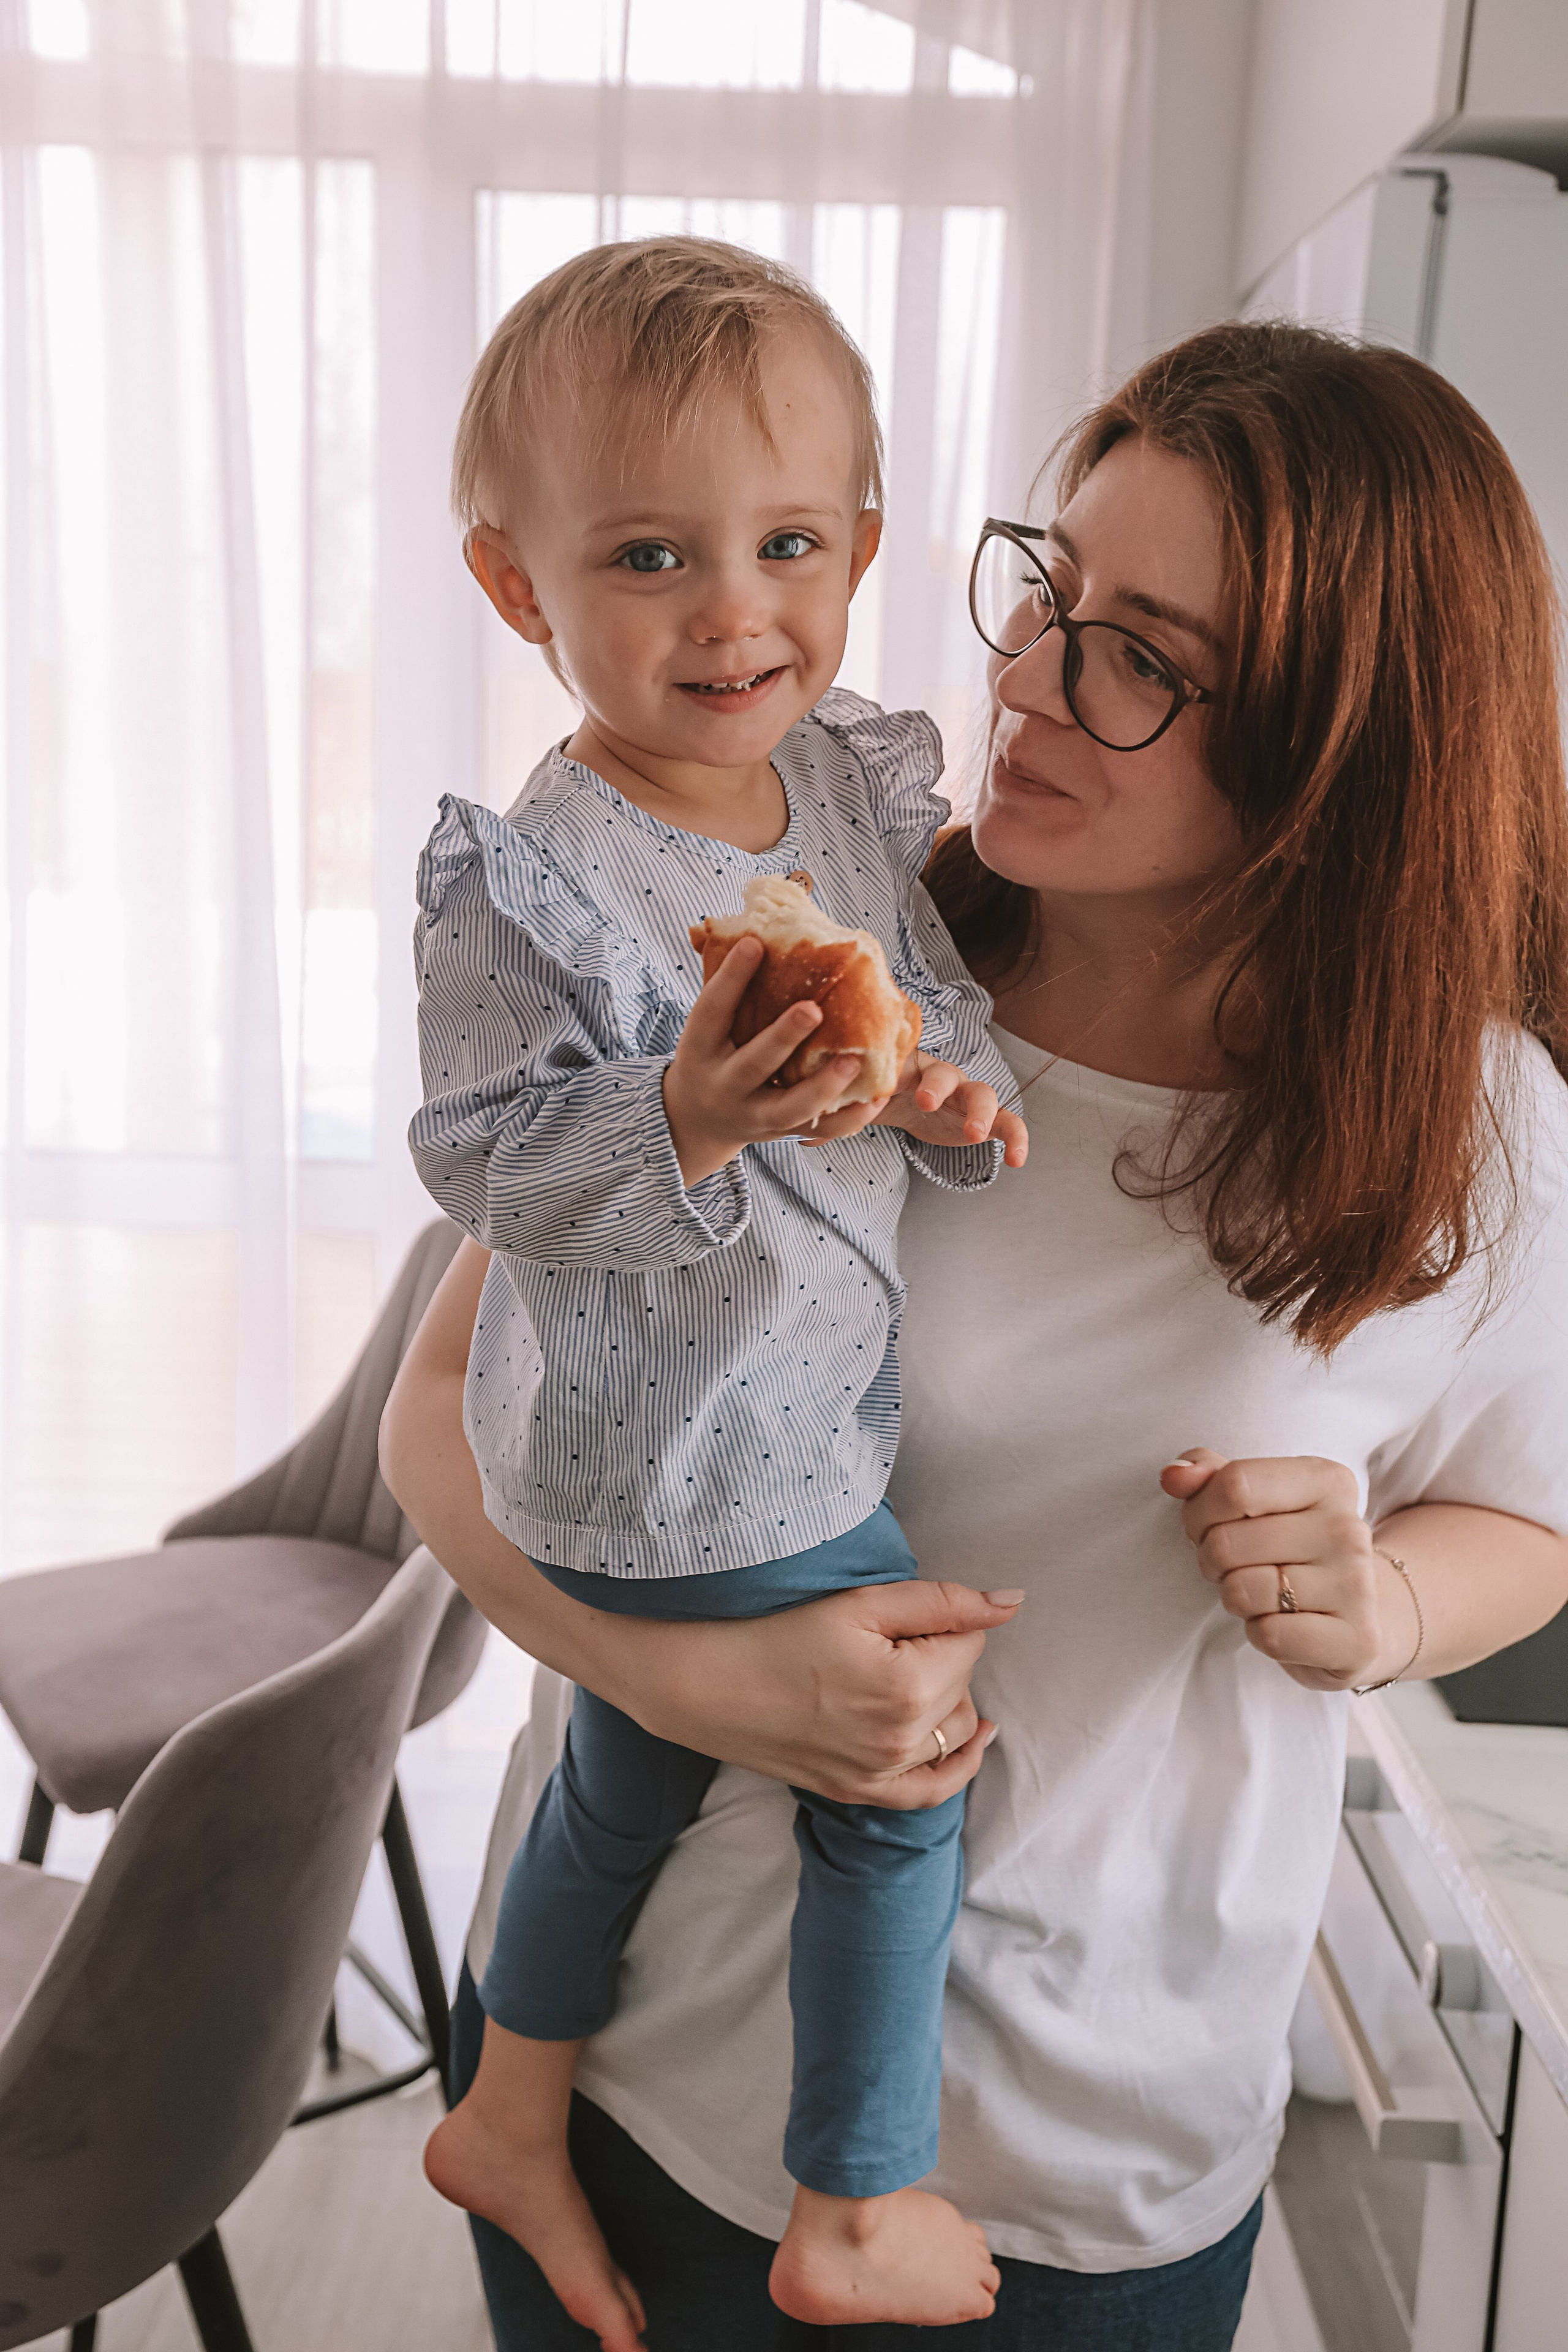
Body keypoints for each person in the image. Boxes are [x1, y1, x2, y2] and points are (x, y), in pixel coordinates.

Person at [383, 319, 1568, 2350]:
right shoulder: (822, 956)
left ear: (1347, 737)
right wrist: (699, 1677)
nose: (1026, 680)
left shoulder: (1478, 1127)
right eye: (1053, 591)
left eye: (1143, 656)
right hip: (654, 2087)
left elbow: (1522, 1521)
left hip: (1090, 2164)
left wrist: (1379, 1607)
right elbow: (439, 1414)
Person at [408, 235, 1030, 2346]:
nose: (732, 611)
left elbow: (921, 987)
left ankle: (508, 2094)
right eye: (653, 554)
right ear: (523, 591)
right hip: (671, 1448)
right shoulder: (535, 878)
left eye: (784, 542)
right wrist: (676, 1117)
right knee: (898, 1770)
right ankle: (853, 2195)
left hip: (794, 1394)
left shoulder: (843, 787)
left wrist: (944, 1087)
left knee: (633, 1774)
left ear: (862, 542)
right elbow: (479, 1160)